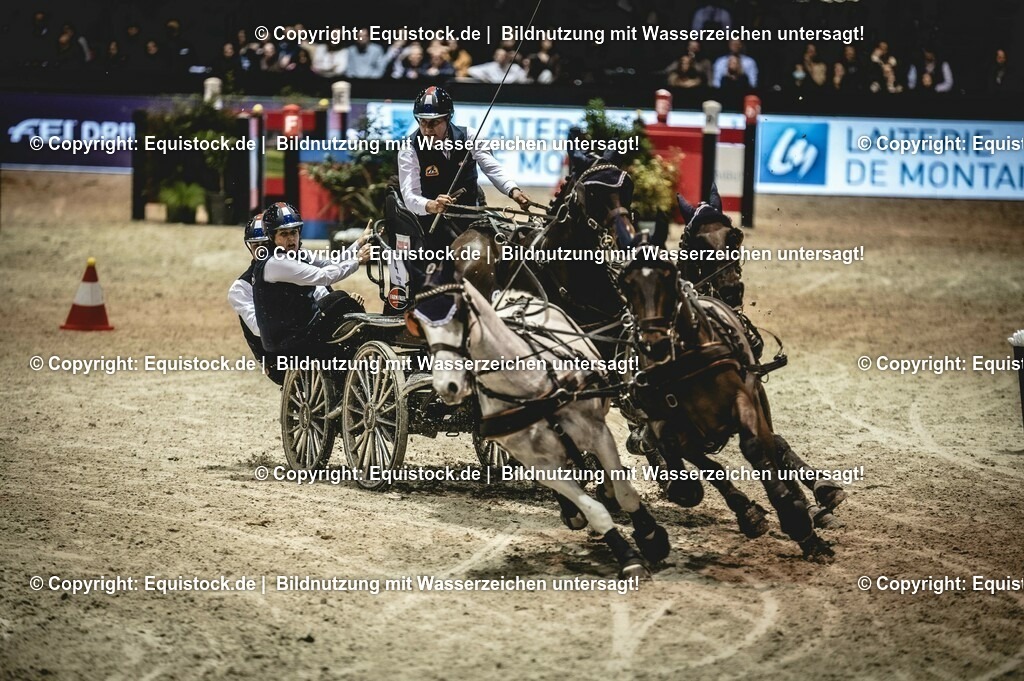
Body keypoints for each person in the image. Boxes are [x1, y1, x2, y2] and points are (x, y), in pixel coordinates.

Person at [394, 86, 532, 293]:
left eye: (435, 122)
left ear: (448, 118)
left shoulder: (469, 136)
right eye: (423, 121)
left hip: (472, 216)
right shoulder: (409, 148)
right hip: (432, 223)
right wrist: (431, 205)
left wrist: (513, 190)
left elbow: (492, 168)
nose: (428, 129)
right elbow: (410, 195)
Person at [252, 203, 371, 365]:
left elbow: (330, 263)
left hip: (296, 328)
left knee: (340, 300)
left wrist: (358, 243)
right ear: (272, 237)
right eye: (284, 234)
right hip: (287, 339)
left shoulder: (298, 254)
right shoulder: (275, 263)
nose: (291, 239)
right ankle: (362, 347)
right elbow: (323, 276)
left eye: (294, 232)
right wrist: (358, 260)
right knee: (343, 299)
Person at [228, 212, 285, 385]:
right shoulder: (241, 288)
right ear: (249, 248)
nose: (262, 252)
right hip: (275, 356)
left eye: (266, 245)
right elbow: (260, 329)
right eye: (256, 246)